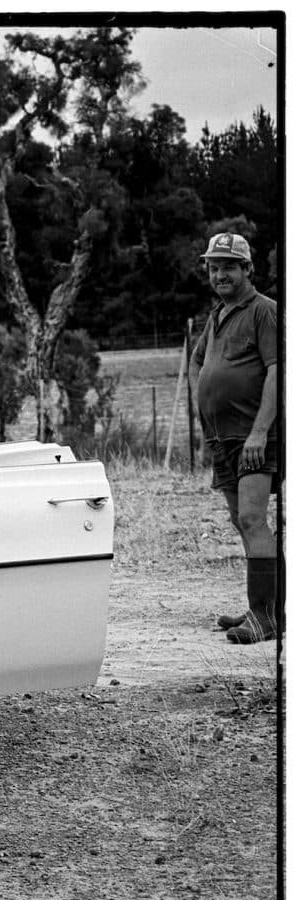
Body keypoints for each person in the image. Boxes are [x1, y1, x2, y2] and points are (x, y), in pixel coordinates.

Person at [188, 231, 281, 644]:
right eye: (213, 266)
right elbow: (197, 363)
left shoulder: (265, 311)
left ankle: (266, 617)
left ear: (247, 268)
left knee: (251, 518)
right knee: (240, 521)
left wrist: (261, 431)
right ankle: (267, 606)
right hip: (222, 439)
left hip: (254, 436)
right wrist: (205, 409)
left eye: (229, 265)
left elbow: (279, 371)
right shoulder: (216, 315)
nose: (220, 273)